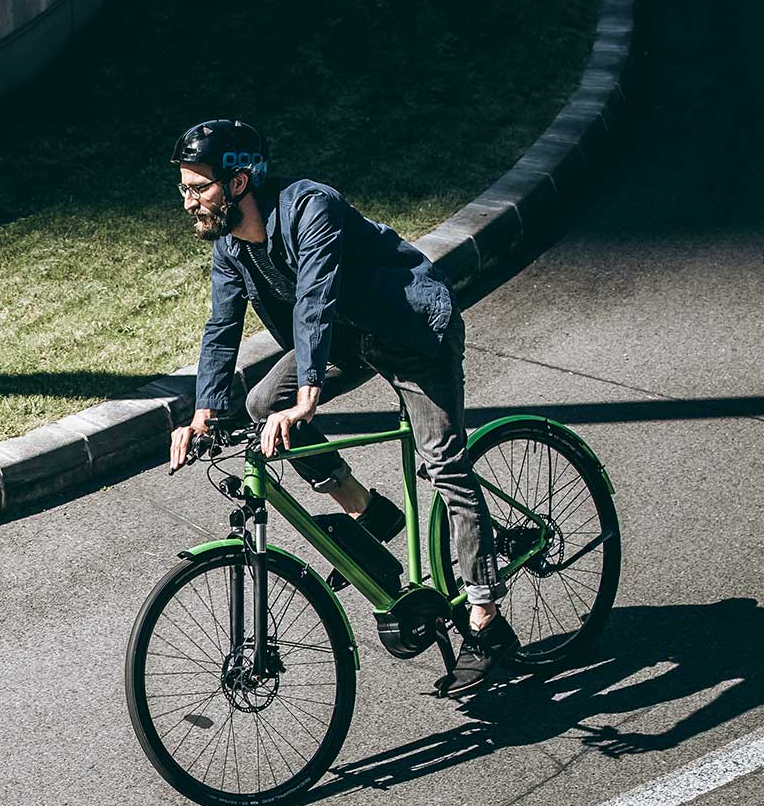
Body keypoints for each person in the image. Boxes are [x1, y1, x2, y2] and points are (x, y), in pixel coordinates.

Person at [165, 118, 516, 692]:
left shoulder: (311, 207)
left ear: (238, 182)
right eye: (184, 188)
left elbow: (315, 297)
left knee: (444, 464)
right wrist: (202, 413)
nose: (189, 201)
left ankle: (485, 615)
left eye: (198, 187)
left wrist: (307, 394)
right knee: (259, 403)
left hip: (410, 329)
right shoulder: (231, 248)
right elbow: (220, 330)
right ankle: (366, 509)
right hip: (347, 341)